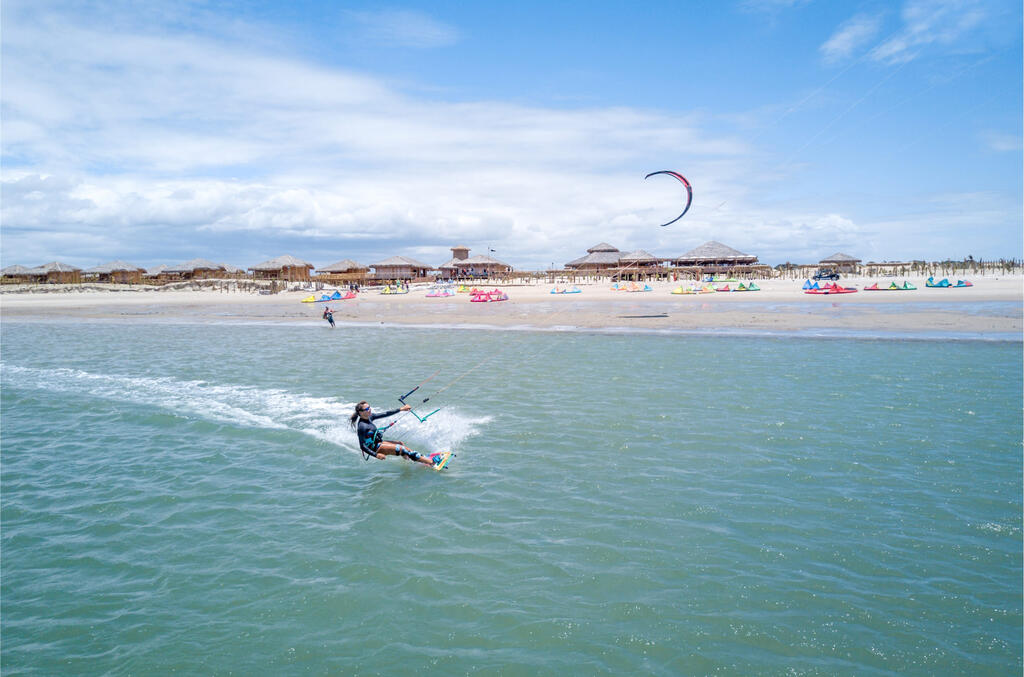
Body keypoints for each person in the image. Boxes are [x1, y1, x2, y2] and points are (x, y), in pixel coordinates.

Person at [350, 401, 437, 466]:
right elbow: (362, 446)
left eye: (369, 407)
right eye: (367, 409)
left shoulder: (370, 417)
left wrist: (401, 409)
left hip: (378, 443)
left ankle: (415, 460)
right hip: (374, 448)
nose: (370, 410)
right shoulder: (362, 427)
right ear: (361, 412)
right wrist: (376, 455)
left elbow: (385, 413)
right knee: (401, 449)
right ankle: (431, 462)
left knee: (400, 444)